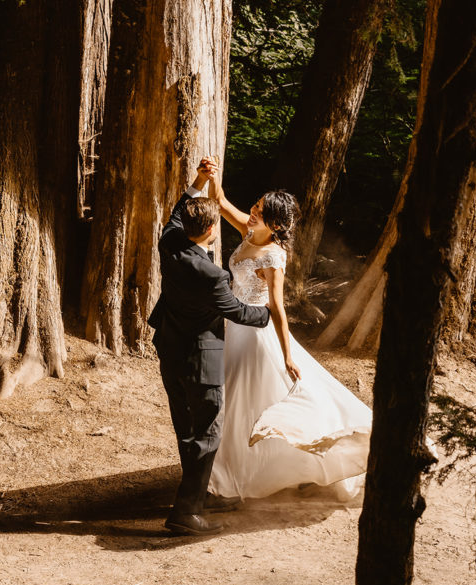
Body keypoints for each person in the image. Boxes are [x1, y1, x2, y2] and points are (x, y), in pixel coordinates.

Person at [203, 158, 371, 501]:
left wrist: (288, 355)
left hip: (253, 333)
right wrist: (211, 174)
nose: (253, 212)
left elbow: (277, 309)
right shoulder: (250, 231)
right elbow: (219, 202)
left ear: (276, 225)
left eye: (260, 211)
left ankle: (234, 473)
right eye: (255, 205)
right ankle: (224, 467)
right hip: (231, 326)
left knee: (242, 397)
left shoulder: (273, 257)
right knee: (230, 394)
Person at [148, 162, 271, 536]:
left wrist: (199, 182)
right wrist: (268, 312)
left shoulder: (170, 241)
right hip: (201, 360)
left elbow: (176, 212)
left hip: (170, 349)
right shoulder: (212, 275)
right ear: (211, 230)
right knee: (207, 432)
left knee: (186, 429)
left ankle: (199, 494)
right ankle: (186, 512)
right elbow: (237, 311)